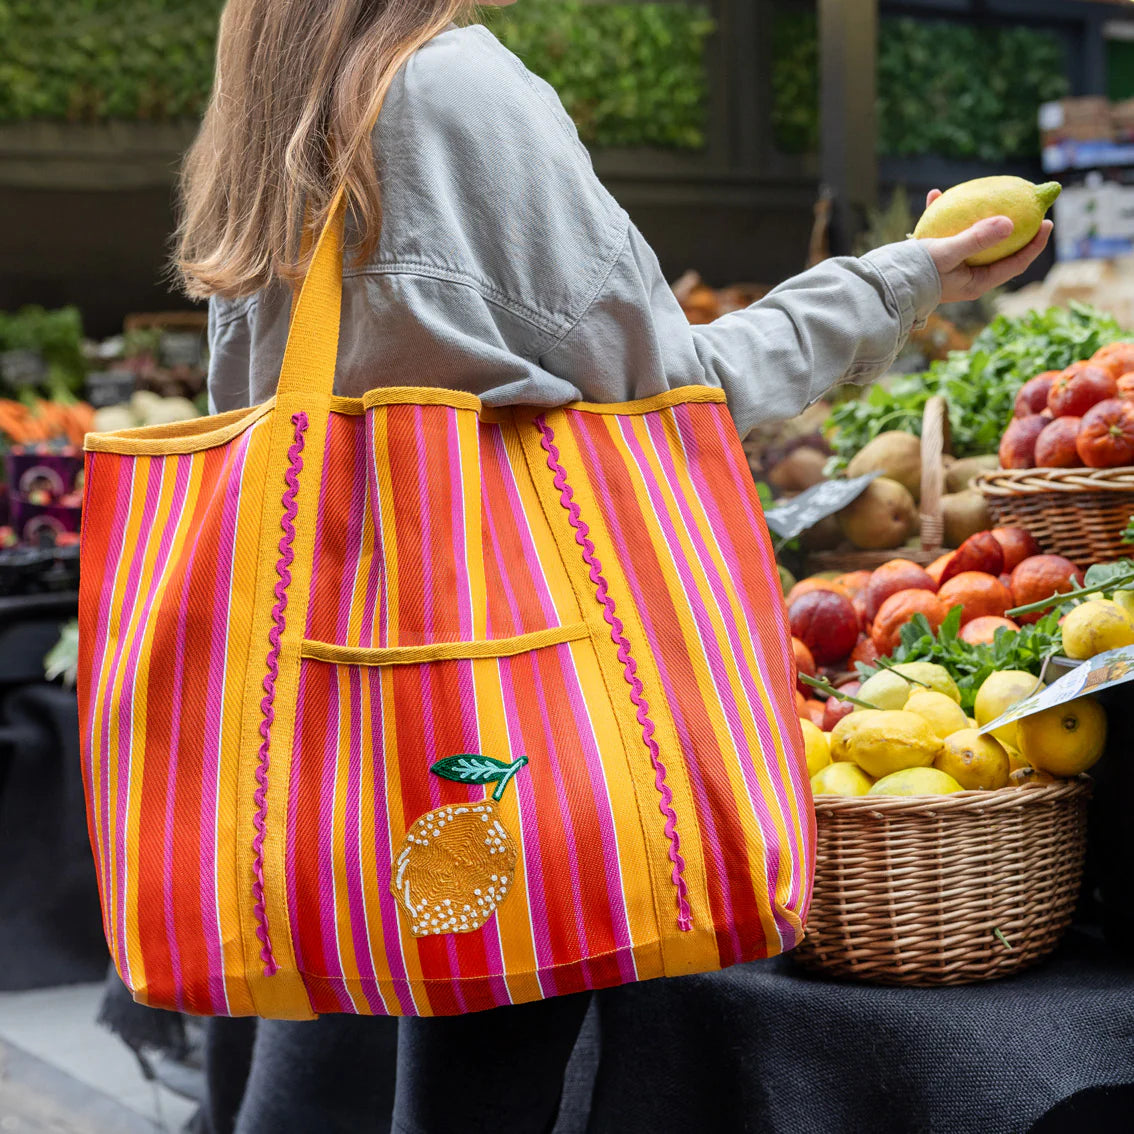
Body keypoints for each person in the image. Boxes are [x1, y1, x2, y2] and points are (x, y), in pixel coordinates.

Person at [177, 2, 1051, 1131]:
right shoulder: (456, 87)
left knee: (421, 1034)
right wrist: (898, 283)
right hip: (507, 688)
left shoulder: (274, 99)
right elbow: (674, 388)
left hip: (341, 708)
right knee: (492, 1069)